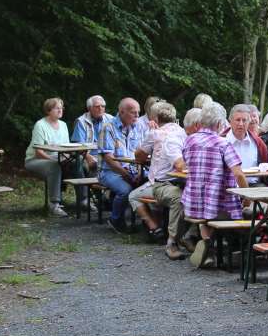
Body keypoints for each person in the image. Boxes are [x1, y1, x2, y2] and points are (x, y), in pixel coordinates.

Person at [180, 102, 249, 267]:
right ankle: (246, 253)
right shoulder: (223, 144)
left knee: (207, 212)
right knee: (252, 215)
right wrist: (247, 197)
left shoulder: (189, 140)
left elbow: (185, 165)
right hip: (219, 207)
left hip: (193, 205)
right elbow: (238, 174)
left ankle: (208, 248)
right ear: (219, 124)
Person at [130, 102, 188, 254]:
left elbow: (139, 157)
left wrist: (150, 135)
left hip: (161, 183)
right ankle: (164, 230)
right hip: (181, 180)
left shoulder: (155, 133)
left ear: (155, 118)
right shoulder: (183, 132)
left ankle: (155, 228)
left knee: (133, 195)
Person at [94, 98, 148, 230]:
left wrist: (140, 173)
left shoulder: (139, 127)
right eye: (133, 112)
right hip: (109, 171)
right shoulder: (108, 128)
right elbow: (109, 159)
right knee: (126, 190)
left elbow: (142, 154)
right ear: (122, 112)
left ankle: (149, 223)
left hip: (134, 169)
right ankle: (115, 220)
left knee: (153, 183)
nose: (137, 116)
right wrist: (127, 176)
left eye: (138, 112)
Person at [25, 97, 71, 216]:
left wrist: (66, 159)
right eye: (57, 108)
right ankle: (54, 204)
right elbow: (38, 152)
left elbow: (66, 148)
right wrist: (56, 160)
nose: (60, 110)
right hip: (36, 160)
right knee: (54, 166)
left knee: (79, 161)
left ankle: (84, 200)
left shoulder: (64, 125)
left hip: (57, 158)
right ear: (48, 110)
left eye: (61, 108)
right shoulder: (40, 125)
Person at [71, 96, 109, 175]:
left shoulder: (111, 120)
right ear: (89, 108)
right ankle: (87, 186)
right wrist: (88, 157)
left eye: (103, 106)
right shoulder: (81, 121)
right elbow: (78, 145)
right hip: (88, 155)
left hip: (107, 155)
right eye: (97, 106)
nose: (100, 108)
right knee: (81, 164)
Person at [226, 104, 268, 168]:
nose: (241, 124)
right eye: (238, 120)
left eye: (244, 120)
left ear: (249, 122)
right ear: (230, 121)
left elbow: (265, 165)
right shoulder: (222, 141)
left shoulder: (258, 143)